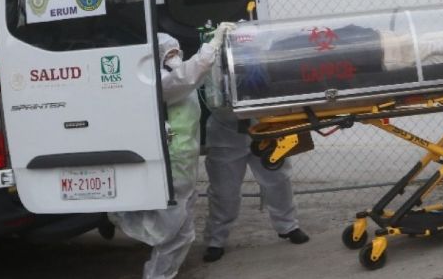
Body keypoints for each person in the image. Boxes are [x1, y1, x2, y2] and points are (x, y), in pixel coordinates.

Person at [109, 26, 228, 279]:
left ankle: (159, 275)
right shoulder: (158, 80)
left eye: (176, 50)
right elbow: (188, 76)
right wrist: (212, 45)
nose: (174, 55)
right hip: (172, 162)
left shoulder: (175, 76)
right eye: (168, 52)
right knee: (173, 229)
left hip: (184, 161)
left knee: (182, 232)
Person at [203, 107, 309, 262]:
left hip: (267, 125)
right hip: (225, 132)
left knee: (278, 179)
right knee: (224, 190)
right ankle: (216, 239)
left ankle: (288, 226)